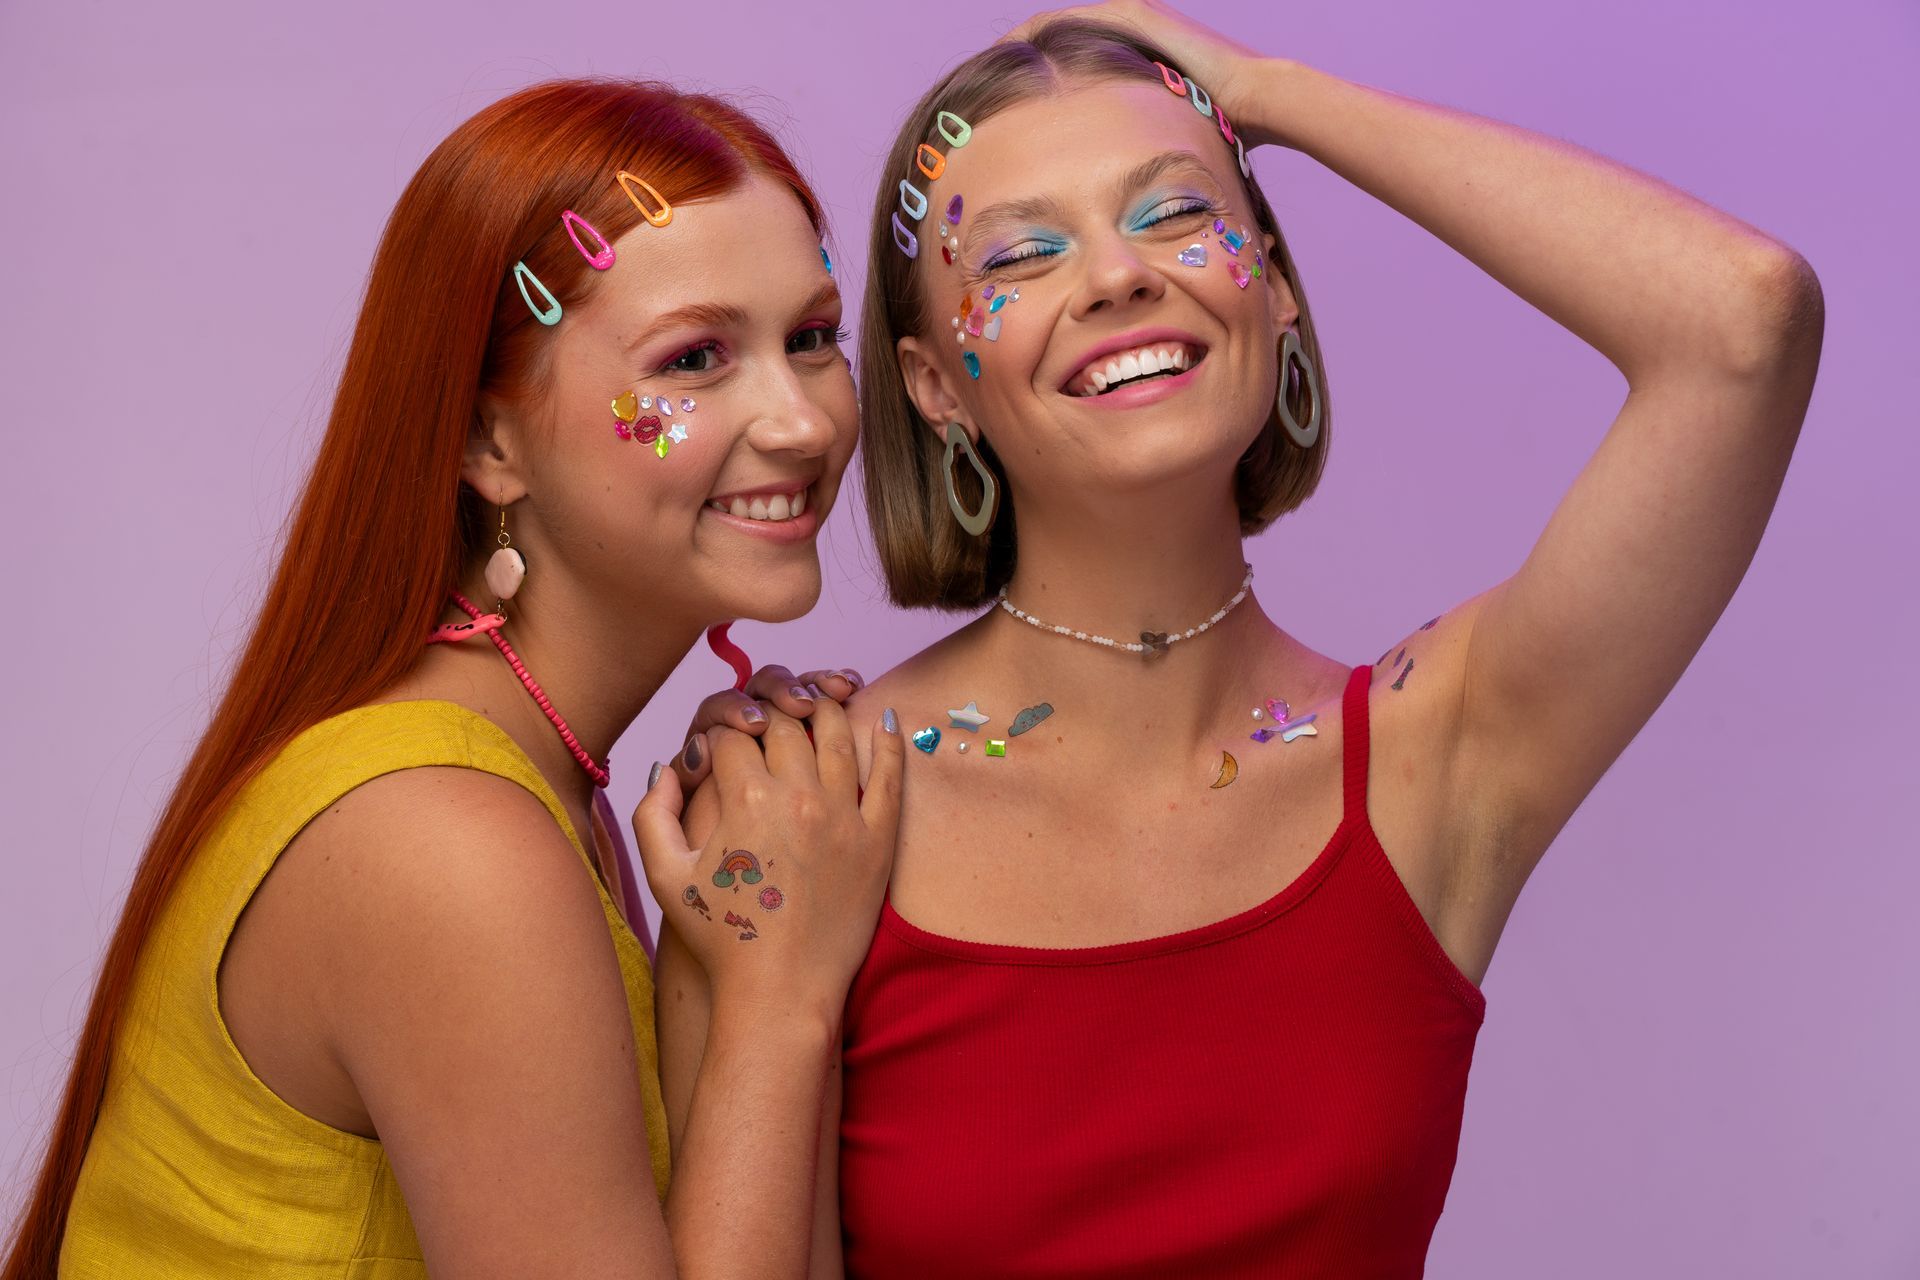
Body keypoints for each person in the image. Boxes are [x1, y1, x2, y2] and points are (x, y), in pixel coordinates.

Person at [656, 4, 1824, 1276]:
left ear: (1269, 284)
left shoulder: (1442, 754)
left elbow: (1741, 322)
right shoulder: (803, 808)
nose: (1117, 275)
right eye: (1024, 254)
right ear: (939, 386)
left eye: (1171, 213)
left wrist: (1270, 96)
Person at [4, 78, 904, 1280]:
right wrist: (780, 994)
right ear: (489, 441)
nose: (799, 421)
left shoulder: (534, 775)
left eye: (810, 338)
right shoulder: (447, 841)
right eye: (695, 357)